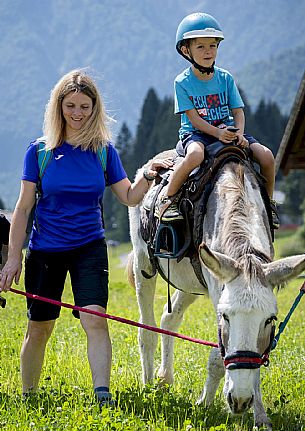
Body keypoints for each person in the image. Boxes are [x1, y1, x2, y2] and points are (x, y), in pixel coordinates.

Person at [0, 69, 173, 406]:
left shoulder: (103, 151)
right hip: (45, 250)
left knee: (95, 318)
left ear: (95, 108)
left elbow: (129, 196)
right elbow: (21, 210)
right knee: (39, 328)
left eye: (85, 106)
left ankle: (102, 395)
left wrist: (151, 173)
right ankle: (29, 396)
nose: (77, 113)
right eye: (70, 106)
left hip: (89, 248)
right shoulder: (39, 151)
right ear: (58, 107)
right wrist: (12, 257)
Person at [155, 12, 279, 229]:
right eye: (200, 47)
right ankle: (168, 198)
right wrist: (218, 134)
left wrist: (239, 133)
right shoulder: (182, 82)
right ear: (186, 50)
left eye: (212, 46)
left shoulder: (225, 78)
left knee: (267, 157)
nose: (208, 52)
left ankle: (268, 205)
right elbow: (193, 119)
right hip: (196, 133)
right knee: (194, 155)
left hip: (228, 130)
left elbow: (238, 111)